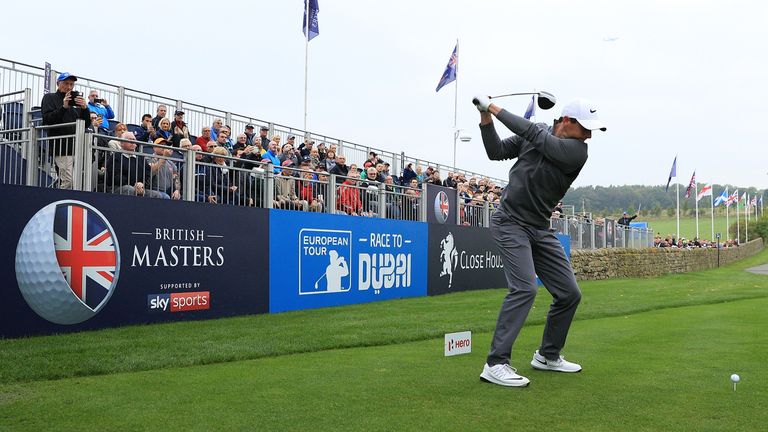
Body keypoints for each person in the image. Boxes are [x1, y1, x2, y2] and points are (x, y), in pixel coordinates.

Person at [472, 95, 606, 387]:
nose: (589, 135)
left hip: (540, 228)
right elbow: (495, 151)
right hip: (510, 222)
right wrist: (485, 117)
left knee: (569, 293)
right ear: (568, 121)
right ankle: (495, 363)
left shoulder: (576, 151)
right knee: (524, 289)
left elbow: (533, 134)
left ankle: (547, 355)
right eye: (585, 127)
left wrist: (494, 106)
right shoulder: (538, 133)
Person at [41, 72, 92, 189]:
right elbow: (47, 119)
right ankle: (61, 203)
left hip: (76, 147)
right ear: (58, 83)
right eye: (66, 83)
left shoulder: (74, 102)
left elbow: (86, 123)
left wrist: (85, 108)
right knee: (68, 182)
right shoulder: (50, 97)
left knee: (76, 182)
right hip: (61, 147)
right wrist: (63, 107)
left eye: (71, 84)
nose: (69, 87)